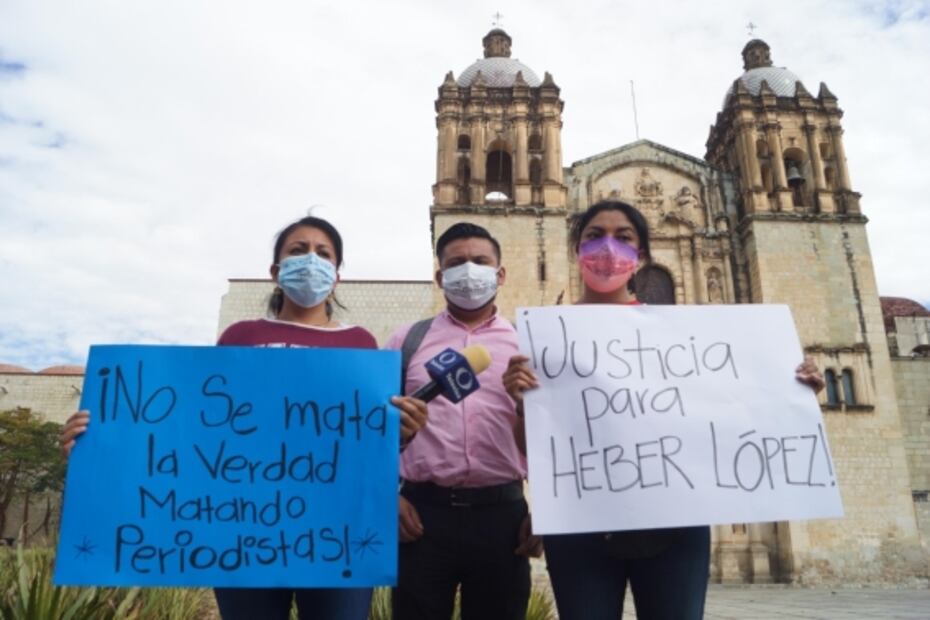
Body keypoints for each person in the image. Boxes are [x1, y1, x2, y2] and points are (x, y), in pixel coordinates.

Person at [59, 215, 429, 620]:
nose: (311, 260)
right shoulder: (239, 337)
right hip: (244, 529)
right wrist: (97, 443)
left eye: (323, 253)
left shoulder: (360, 344)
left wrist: (402, 434)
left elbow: (360, 444)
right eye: (297, 250)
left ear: (337, 275)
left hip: (334, 528)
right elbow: (189, 429)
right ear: (275, 271)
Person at [502, 200, 825, 620]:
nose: (607, 246)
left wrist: (793, 392)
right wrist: (522, 404)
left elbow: (733, 413)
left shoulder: (683, 337)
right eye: (594, 236)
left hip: (676, 523)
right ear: (576, 250)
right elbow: (532, 450)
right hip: (582, 522)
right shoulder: (543, 338)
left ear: (641, 256)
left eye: (624, 237)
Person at [386, 222, 542, 620]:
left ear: (500, 273)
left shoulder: (530, 343)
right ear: (439, 276)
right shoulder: (405, 342)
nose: (469, 270)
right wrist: (390, 496)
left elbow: (557, 438)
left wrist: (548, 511)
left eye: (480, 261)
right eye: (457, 263)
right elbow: (371, 431)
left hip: (502, 518)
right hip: (421, 517)